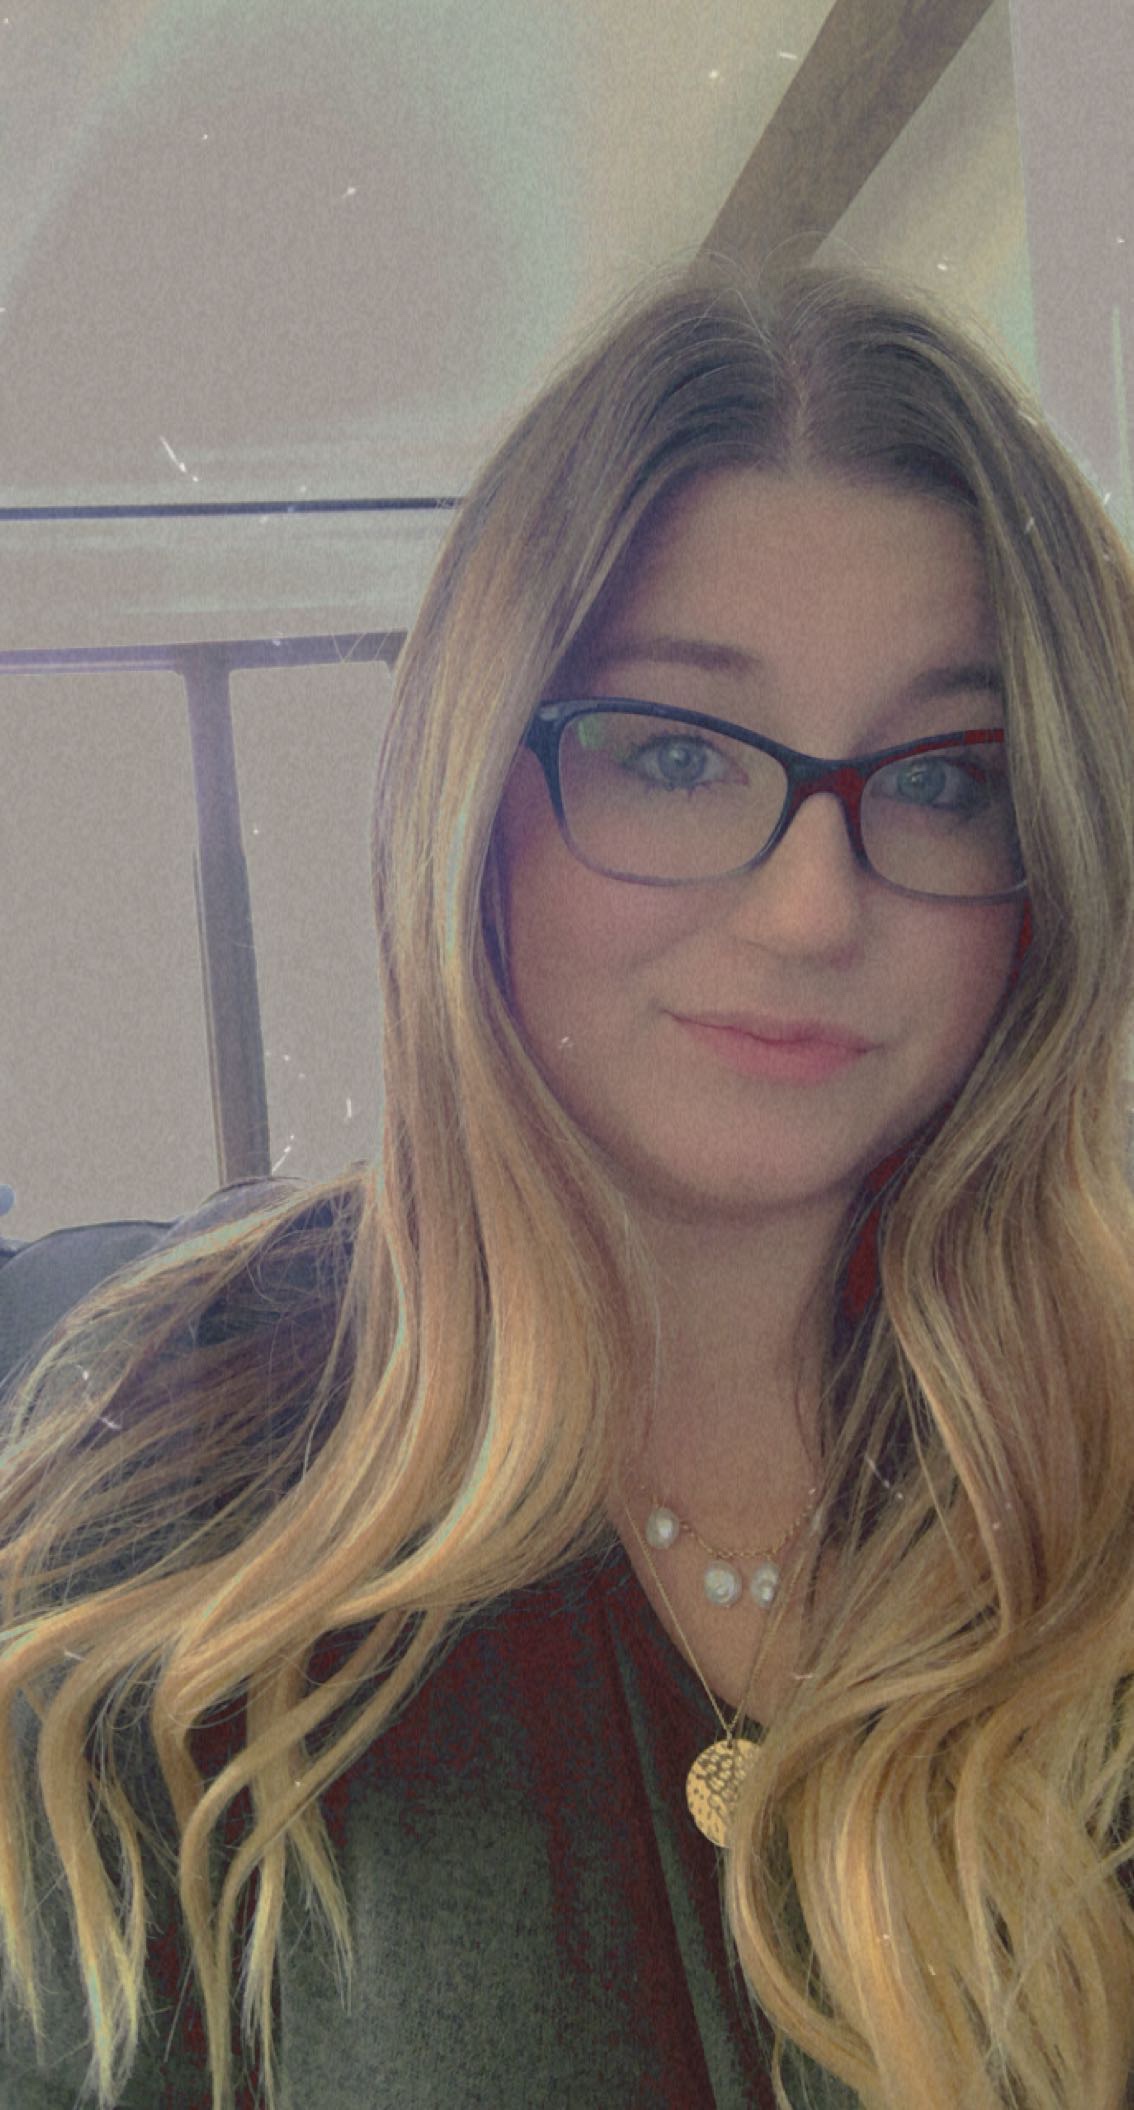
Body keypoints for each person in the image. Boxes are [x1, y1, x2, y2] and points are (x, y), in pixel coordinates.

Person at [1, 246, 1133, 2110]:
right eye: (676, 751)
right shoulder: (159, 1483)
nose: (812, 905)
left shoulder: (1089, 1490)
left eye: (945, 776)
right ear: (474, 796)